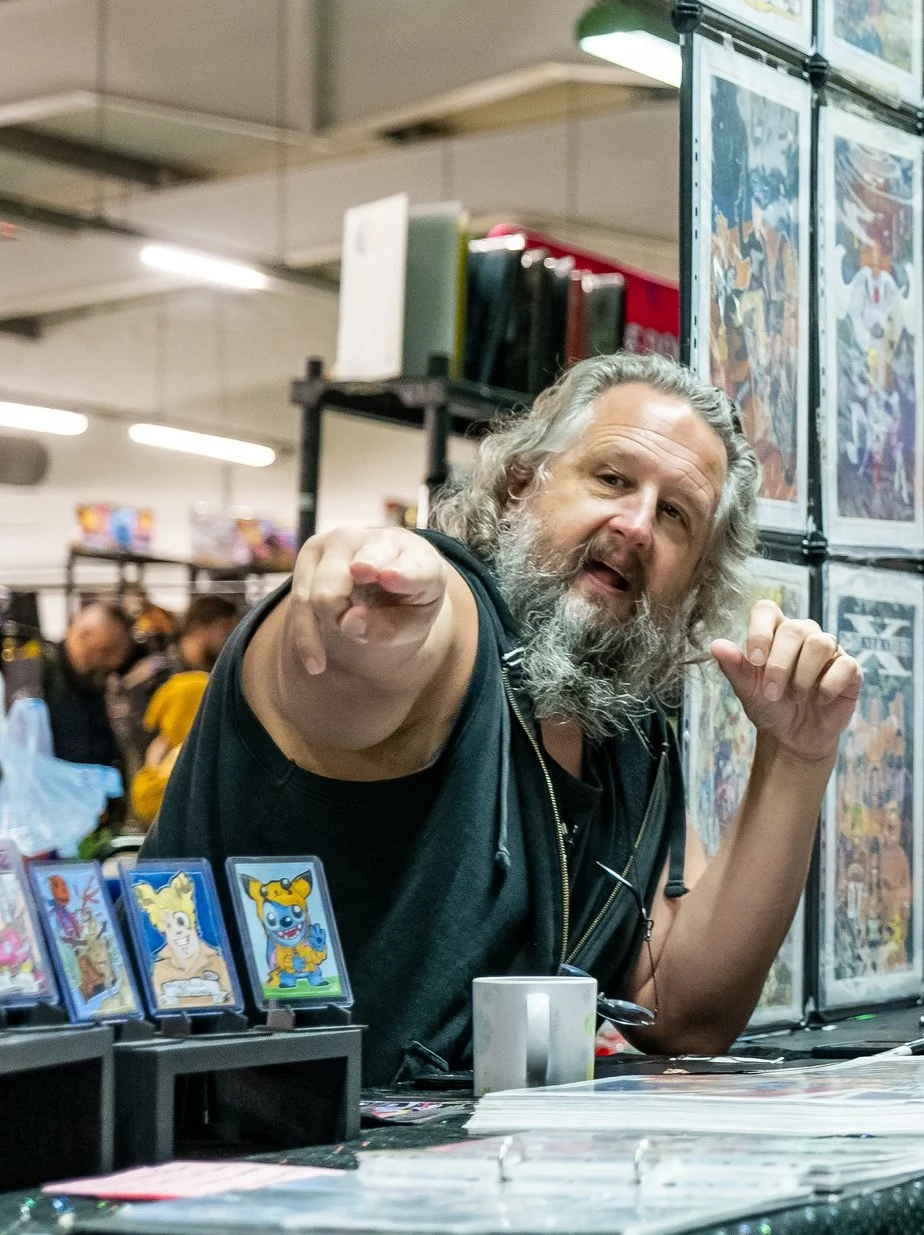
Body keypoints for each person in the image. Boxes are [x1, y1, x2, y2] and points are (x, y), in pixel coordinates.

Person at [148, 354, 861, 1082]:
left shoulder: (628, 733)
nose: (638, 523)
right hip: (240, 1169)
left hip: (471, 1177)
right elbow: (358, 677)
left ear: (700, 575)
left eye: (676, 514)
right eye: (612, 478)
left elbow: (683, 1008)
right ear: (524, 482)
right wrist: (372, 616)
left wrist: (799, 753)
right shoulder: (452, 618)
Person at [128, 596, 241, 828]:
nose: (231, 638)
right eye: (225, 628)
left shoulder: (224, 675)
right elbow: (139, 744)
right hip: (158, 805)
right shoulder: (154, 676)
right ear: (199, 628)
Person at [37, 601, 134, 775]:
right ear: (84, 635)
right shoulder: (40, 672)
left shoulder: (97, 683)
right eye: (107, 650)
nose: (114, 662)